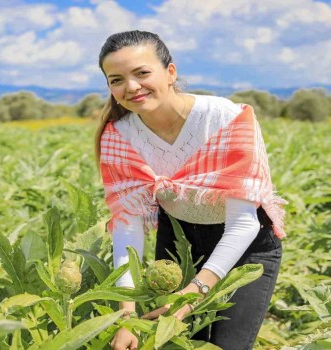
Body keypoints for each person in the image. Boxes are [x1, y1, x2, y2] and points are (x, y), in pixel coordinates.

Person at [95, 30, 286, 350]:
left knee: (229, 346)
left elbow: (244, 222)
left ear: (170, 73)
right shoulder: (120, 136)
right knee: (177, 344)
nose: (131, 87)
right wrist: (126, 313)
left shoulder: (225, 118)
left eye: (142, 73)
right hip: (178, 241)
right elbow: (126, 225)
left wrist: (194, 291)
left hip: (246, 246)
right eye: (116, 80)